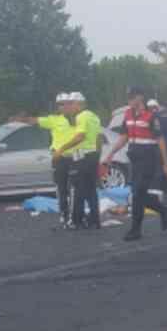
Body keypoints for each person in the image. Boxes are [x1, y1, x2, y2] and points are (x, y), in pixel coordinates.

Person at [103, 87, 167, 242]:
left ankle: (136, 230)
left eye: (132, 97)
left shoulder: (151, 116)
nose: (129, 100)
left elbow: (160, 140)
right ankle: (164, 211)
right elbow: (123, 137)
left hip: (148, 158)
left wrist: (166, 164)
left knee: (137, 195)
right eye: (128, 97)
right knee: (138, 195)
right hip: (134, 158)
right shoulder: (127, 114)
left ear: (140, 97)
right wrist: (111, 154)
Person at [11, 93, 79, 229]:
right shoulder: (54, 120)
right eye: (60, 104)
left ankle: (73, 219)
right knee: (61, 190)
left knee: (73, 190)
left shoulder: (80, 119)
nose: (63, 106)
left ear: (71, 105)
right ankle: (63, 218)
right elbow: (34, 120)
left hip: (74, 158)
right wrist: (20, 119)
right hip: (58, 159)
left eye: (66, 103)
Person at [53, 93, 102, 230]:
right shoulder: (94, 116)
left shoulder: (81, 116)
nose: (70, 106)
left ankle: (76, 220)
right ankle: (95, 219)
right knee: (91, 189)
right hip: (93, 155)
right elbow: (99, 139)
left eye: (72, 103)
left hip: (82, 156)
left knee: (78, 189)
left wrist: (62, 148)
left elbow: (80, 137)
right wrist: (98, 156)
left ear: (79, 104)